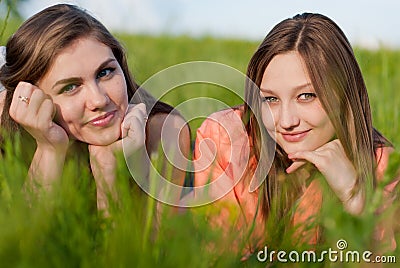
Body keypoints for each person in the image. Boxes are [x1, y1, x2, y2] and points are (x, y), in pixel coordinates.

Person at [194, 13, 398, 255]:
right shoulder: (225, 139)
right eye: (270, 99)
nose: (287, 121)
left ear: (344, 97)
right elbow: (220, 257)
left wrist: (355, 200)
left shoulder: (380, 164)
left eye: (306, 96)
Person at [0, 4, 190, 212]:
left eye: (105, 72)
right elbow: (24, 242)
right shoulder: (8, 132)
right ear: (35, 99)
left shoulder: (164, 130)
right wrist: (49, 149)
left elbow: (150, 243)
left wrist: (113, 177)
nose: (99, 100)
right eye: (70, 87)